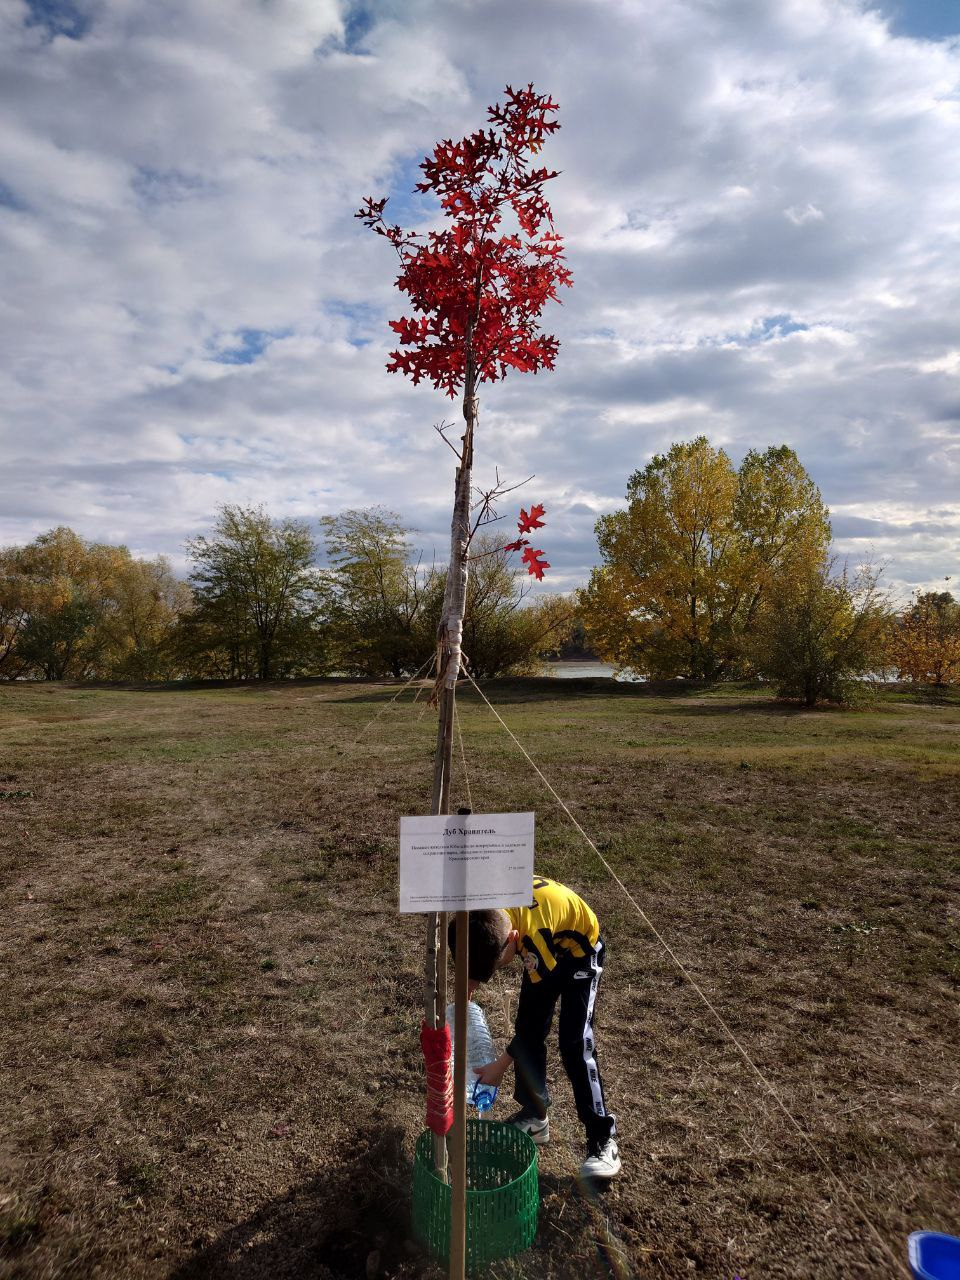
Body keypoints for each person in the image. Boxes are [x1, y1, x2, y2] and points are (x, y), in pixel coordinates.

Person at [447, 875, 620, 1180]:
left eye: (497, 965)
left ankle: (603, 1139)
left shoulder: (533, 942)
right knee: (528, 1031)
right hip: (545, 937)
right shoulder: (487, 913)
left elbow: (533, 1021)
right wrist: (470, 975)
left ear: (512, 939)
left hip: (579, 953)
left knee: (574, 1042)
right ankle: (535, 1116)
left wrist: (500, 1065)